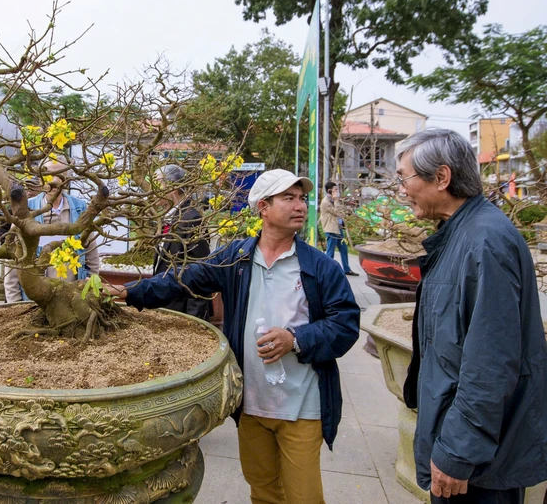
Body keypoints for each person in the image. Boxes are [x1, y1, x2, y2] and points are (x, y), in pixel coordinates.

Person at [105, 169, 360, 504]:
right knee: (263, 490)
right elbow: (183, 279)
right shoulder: (236, 258)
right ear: (263, 207)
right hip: (252, 403)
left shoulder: (320, 266)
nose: (300, 206)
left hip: (302, 406)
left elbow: (346, 324)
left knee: (304, 496)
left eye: (302, 198)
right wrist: (128, 292)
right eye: (289, 198)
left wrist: (295, 338)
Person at [396, 129, 547, 504]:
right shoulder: (461, 233)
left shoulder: (484, 241)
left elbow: (491, 362)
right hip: (468, 447)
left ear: (441, 177)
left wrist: (458, 451)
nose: (402, 189)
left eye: (405, 178)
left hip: (481, 464)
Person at [3, 161, 101, 303]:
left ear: (66, 179)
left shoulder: (80, 208)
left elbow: (91, 255)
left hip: (73, 298)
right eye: (49, 174)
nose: (54, 180)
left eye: (59, 175)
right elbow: (12, 261)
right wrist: (14, 303)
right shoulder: (27, 210)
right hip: (36, 298)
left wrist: (90, 290)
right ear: (41, 177)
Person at [152, 164, 212, 320]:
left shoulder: (191, 219)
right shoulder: (167, 217)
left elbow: (201, 274)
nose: (152, 188)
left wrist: (194, 320)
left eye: (157, 183)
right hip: (168, 307)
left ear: (172, 187)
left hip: (184, 313)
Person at [319, 182, 358, 276]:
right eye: (335, 190)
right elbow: (336, 212)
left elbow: (341, 211)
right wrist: (337, 201)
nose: (337, 192)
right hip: (331, 229)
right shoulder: (325, 202)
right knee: (330, 251)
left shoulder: (334, 200)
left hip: (338, 228)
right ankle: (327, 271)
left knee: (344, 248)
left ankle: (347, 269)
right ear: (329, 191)